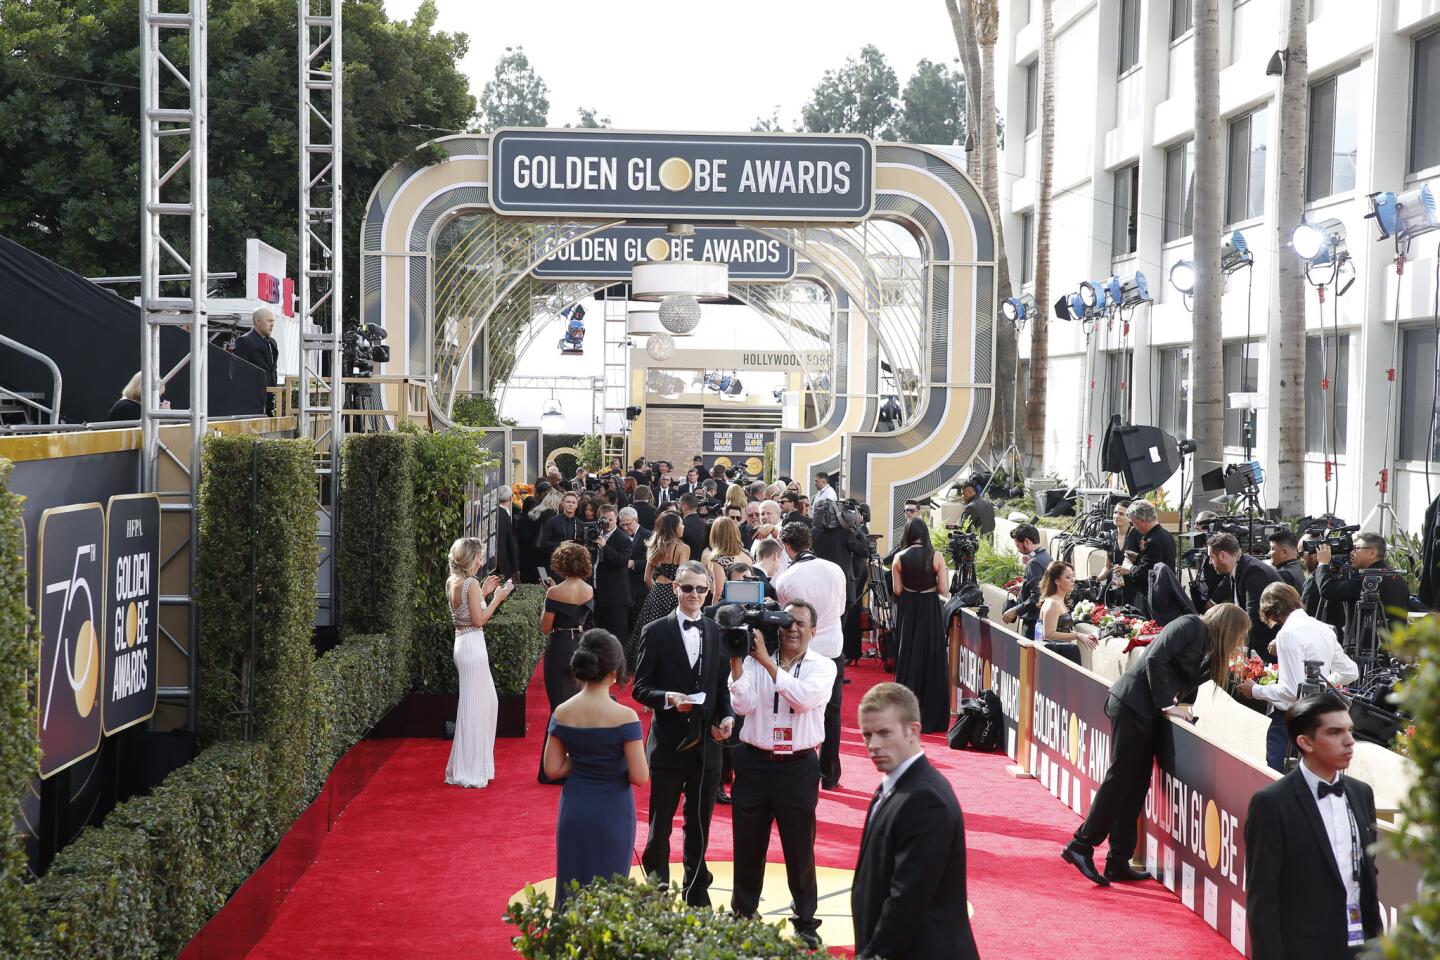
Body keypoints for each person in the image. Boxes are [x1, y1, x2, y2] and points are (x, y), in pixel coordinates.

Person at [1061, 603, 1252, 886]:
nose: (1242, 642)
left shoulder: (1212, 649)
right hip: (1131, 704)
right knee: (1120, 779)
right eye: (1241, 635)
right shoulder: (1190, 625)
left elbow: (1187, 681)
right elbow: (1155, 660)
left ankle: (1118, 859)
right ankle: (1080, 845)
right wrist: (1168, 705)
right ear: (1231, 627)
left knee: (1136, 786)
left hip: (1147, 713)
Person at [727, 599, 836, 949]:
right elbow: (742, 706)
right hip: (754, 762)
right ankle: (743, 912)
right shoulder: (755, 659)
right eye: (787, 621)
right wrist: (736, 661)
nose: (793, 628)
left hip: (798, 767)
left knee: (800, 847)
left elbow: (803, 698)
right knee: (747, 843)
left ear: (813, 631)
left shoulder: (823, 666)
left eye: (801, 623)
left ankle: (805, 919)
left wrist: (765, 665)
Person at [1245, 692, 1383, 958]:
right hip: (1303, 949)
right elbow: (1263, 900)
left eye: (1350, 730)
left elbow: (1366, 871)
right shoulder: (1271, 804)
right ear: (1305, 742)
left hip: (1361, 944)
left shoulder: (1361, 793)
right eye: (1335, 732)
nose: (1350, 741)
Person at [631, 561, 736, 906]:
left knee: (700, 823)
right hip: (668, 745)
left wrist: (727, 718)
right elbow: (640, 688)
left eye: (701, 589)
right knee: (660, 825)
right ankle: (657, 893)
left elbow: (721, 688)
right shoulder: (655, 631)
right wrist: (667, 699)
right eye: (687, 588)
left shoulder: (714, 630)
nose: (694, 594)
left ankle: (696, 892)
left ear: (710, 592)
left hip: (707, 746)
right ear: (675, 588)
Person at [852, 683, 980, 960]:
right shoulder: (894, 784)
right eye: (867, 735)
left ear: (913, 732)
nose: (873, 745)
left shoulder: (925, 799)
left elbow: (907, 899)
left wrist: (870, 956)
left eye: (885, 733)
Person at [544, 630, 648, 911]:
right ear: (615, 671)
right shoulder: (625, 716)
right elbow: (640, 777)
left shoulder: (563, 711)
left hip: (575, 808)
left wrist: (583, 759)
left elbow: (552, 769)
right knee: (609, 894)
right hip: (613, 812)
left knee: (571, 890)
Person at [1237, 584, 1359, 772]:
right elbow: (1350, 671)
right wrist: (1322, 683)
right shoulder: (1323, 628)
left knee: (1279, 778)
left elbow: (1292, 691)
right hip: (1318, 719)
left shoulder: (1288, 634)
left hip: (1290, 722)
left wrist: (1255, 690)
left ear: (1273, 612)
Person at [773, 522, 848, 790]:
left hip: (801, 652)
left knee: (794, 709)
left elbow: (785, 618)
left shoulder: (786, 578)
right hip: (832, 648)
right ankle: (829, 774)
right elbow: (840, 609)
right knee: (832, 712)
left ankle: (794, 769)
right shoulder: (835, 569)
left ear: (787, 546)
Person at [444, 537, 514, 788]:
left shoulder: (454, 581)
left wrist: (483, 593)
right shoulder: (469, 582)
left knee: (479, 703)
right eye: (479, 557)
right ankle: (471, 769)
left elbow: (464, 612)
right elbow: (479, 620)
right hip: (472, 645)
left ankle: (471, 765)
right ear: (469, 558)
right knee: (476, 705)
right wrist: (498, 597)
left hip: (463, 644)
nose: (481, 561)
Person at [538, 543, 594, 785]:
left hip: (560, 647)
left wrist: (549, 596)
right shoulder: (589, 590)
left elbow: (545, 627)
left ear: (560, 564)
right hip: (581, 647)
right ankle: (580, 767)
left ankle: (552, 769)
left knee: (558, 711)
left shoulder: (554, 593)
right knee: (580, 710)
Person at [889, 517, 951, 733]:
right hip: (930, 609)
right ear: (925, 533)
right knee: (932, 657)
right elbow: (943, 588)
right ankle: (932, 717)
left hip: (909, 611)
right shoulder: (936, 556)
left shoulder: (899, 557)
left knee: (909, 656)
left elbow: (897, 591)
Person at [1313, 533, 1410, 648]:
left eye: (1356, 548)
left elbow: (1328, 590)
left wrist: (1323, 564)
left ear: (1372, 553)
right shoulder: (1397, 577)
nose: (1351, 553)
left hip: (1365, 651)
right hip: (1393, 648)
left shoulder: (1367, 578)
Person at [1199, 532, 1282, 660]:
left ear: (1222, 555)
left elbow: (1252, 618)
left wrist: (1235, 647)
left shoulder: (1252, 572)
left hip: (1270, 648)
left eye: (1211, 557)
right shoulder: (1240, 567)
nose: (1210, 562)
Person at [629, 511, 690, 660]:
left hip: (655, 595)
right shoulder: (683, 549)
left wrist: (657, 591)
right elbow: (681, 578)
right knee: (671, 636)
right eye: (681, 523)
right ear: (674, 527)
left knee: (649, 634)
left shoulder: (653, 546)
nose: (683, 526)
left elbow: (646, 578)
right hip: (673, 596)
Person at [1035, 561, 1099, 663]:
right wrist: (1077, 635)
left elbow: (1061, 629)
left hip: (1061, 654)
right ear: (1057, 581)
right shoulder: (1053, 603)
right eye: (1068, 577)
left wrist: (1083, 635)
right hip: (1055, 658)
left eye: (1072, 576)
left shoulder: (1059, 600)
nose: (1073, 580)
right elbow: (1048, 634)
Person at [1123, 500, 1177, 613]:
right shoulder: (1166, 535)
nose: (1134, 527)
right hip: (1166, 596)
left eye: (1134, 523)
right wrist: (1138, 558)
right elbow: (1156, 563)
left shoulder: (1153, 540)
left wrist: (1128, 567)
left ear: (1141, 520)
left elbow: (1144, 574)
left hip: (1157, 600)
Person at [592, 503, 633, 648]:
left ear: (616, 519)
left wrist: (605, 546)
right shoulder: (594, 535)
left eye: (611, 519)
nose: (608, 523)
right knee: (598, 634)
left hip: (616, 596)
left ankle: (620, 667)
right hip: (596, 593)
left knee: (617, 636)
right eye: (604, 520)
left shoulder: (623, 539)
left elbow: (622, 561)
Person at [1001, 523, 1051, 637]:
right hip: (1042, 620)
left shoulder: (1034, 563)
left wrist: (1015, 610)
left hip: (1033, 624)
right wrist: (1023, 588)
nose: (1018, 550)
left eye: (1018, 546)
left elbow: (1037, 597)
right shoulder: (1046, 557)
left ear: (1027, 542)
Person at [232, 307, 280, 415]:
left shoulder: (272, 342)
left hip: (270, 397)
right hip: (252, 400)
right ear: (258, 322)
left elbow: (273, 368)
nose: (272, 324)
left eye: (273, 321)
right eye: (269, 321)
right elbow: (237, 372)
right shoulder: (244, 341)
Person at [538, 491, 585, 579]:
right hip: (555, 566)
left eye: (573, 502)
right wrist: (561, 544)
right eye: (568, 502)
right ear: (562, 504)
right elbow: (543, 544)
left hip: (573, 567)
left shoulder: (581, 524)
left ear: (577, 505)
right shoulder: (552, 522)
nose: (570, 504)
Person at [618, 506, 650, 635]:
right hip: (624, 587)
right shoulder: (620, 535)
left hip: (640, 586)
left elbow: (654, 562)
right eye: (622, 525)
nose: (625, 528)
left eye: (628, 524)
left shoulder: (648, 535)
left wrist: (634, 563)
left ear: (636, 520)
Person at [701, 515, 746, 593]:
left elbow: (717, 592)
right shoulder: (747, 553)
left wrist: (713, 605)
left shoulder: (718, 560)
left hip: (729, 603)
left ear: (714, 534)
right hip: (750, 600)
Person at [106, 371, 170, 421]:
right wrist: (163, 416)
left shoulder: (126, 404)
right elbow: (147, 435)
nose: (158, 399)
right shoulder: (129, 408)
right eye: (156, 395)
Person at [492, 485, 520, 582]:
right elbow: (510, 543)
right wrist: (516, 568)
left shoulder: (492, 512)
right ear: (510, 498)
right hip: (503, 562)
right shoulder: (504, 515)